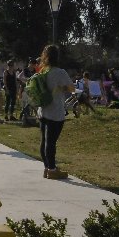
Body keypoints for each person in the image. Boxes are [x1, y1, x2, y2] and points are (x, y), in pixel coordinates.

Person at [36, 44, 76, 180]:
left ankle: (47, 168)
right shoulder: (60, 72)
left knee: (44, 141)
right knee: (51, 142)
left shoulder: (42, 71)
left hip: (42, 110)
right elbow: (72, 88)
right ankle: (52, 170)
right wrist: (62, 87)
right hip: (55, 111)